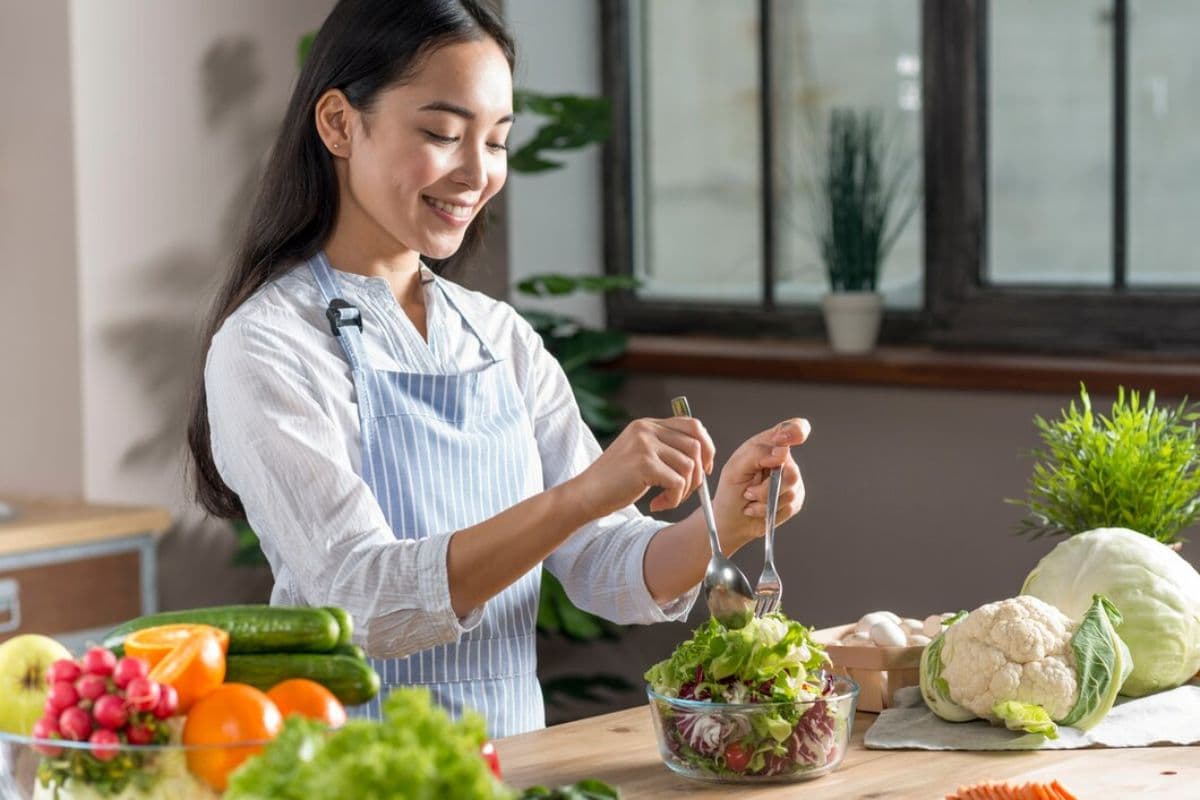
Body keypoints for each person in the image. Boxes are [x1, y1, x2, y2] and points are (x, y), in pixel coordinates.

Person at [186, 0, 810, 738]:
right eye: (442, 134)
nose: (476, 174)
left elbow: (606, 562)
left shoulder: (495, 336)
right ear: (338, 124)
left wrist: (725, 526)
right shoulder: (267, 344)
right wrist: (578, 496)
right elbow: (359, 599)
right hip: (350, 765)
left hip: (511, 763)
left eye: (497, 141)